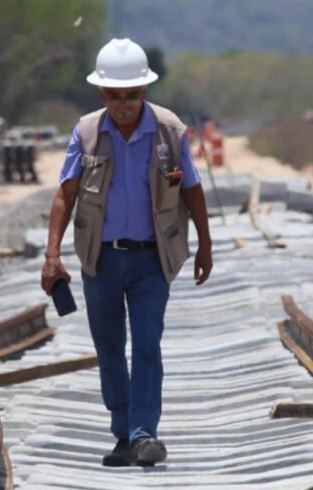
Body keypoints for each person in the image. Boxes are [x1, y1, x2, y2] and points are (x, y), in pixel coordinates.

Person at [40, 38, 213, 467]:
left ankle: (143, 434)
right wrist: (52, 255)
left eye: (131, 96)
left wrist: (205, 245)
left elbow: (191, 188)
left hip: (152, 260)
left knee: (148, 345)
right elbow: (66, 195)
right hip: (100, 259)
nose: (123, 105)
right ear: (101, 94)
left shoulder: (170, 131)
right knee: (110, 347)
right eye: (114, 96)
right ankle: (123, 433)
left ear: (145, 92)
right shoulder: (86, 132)